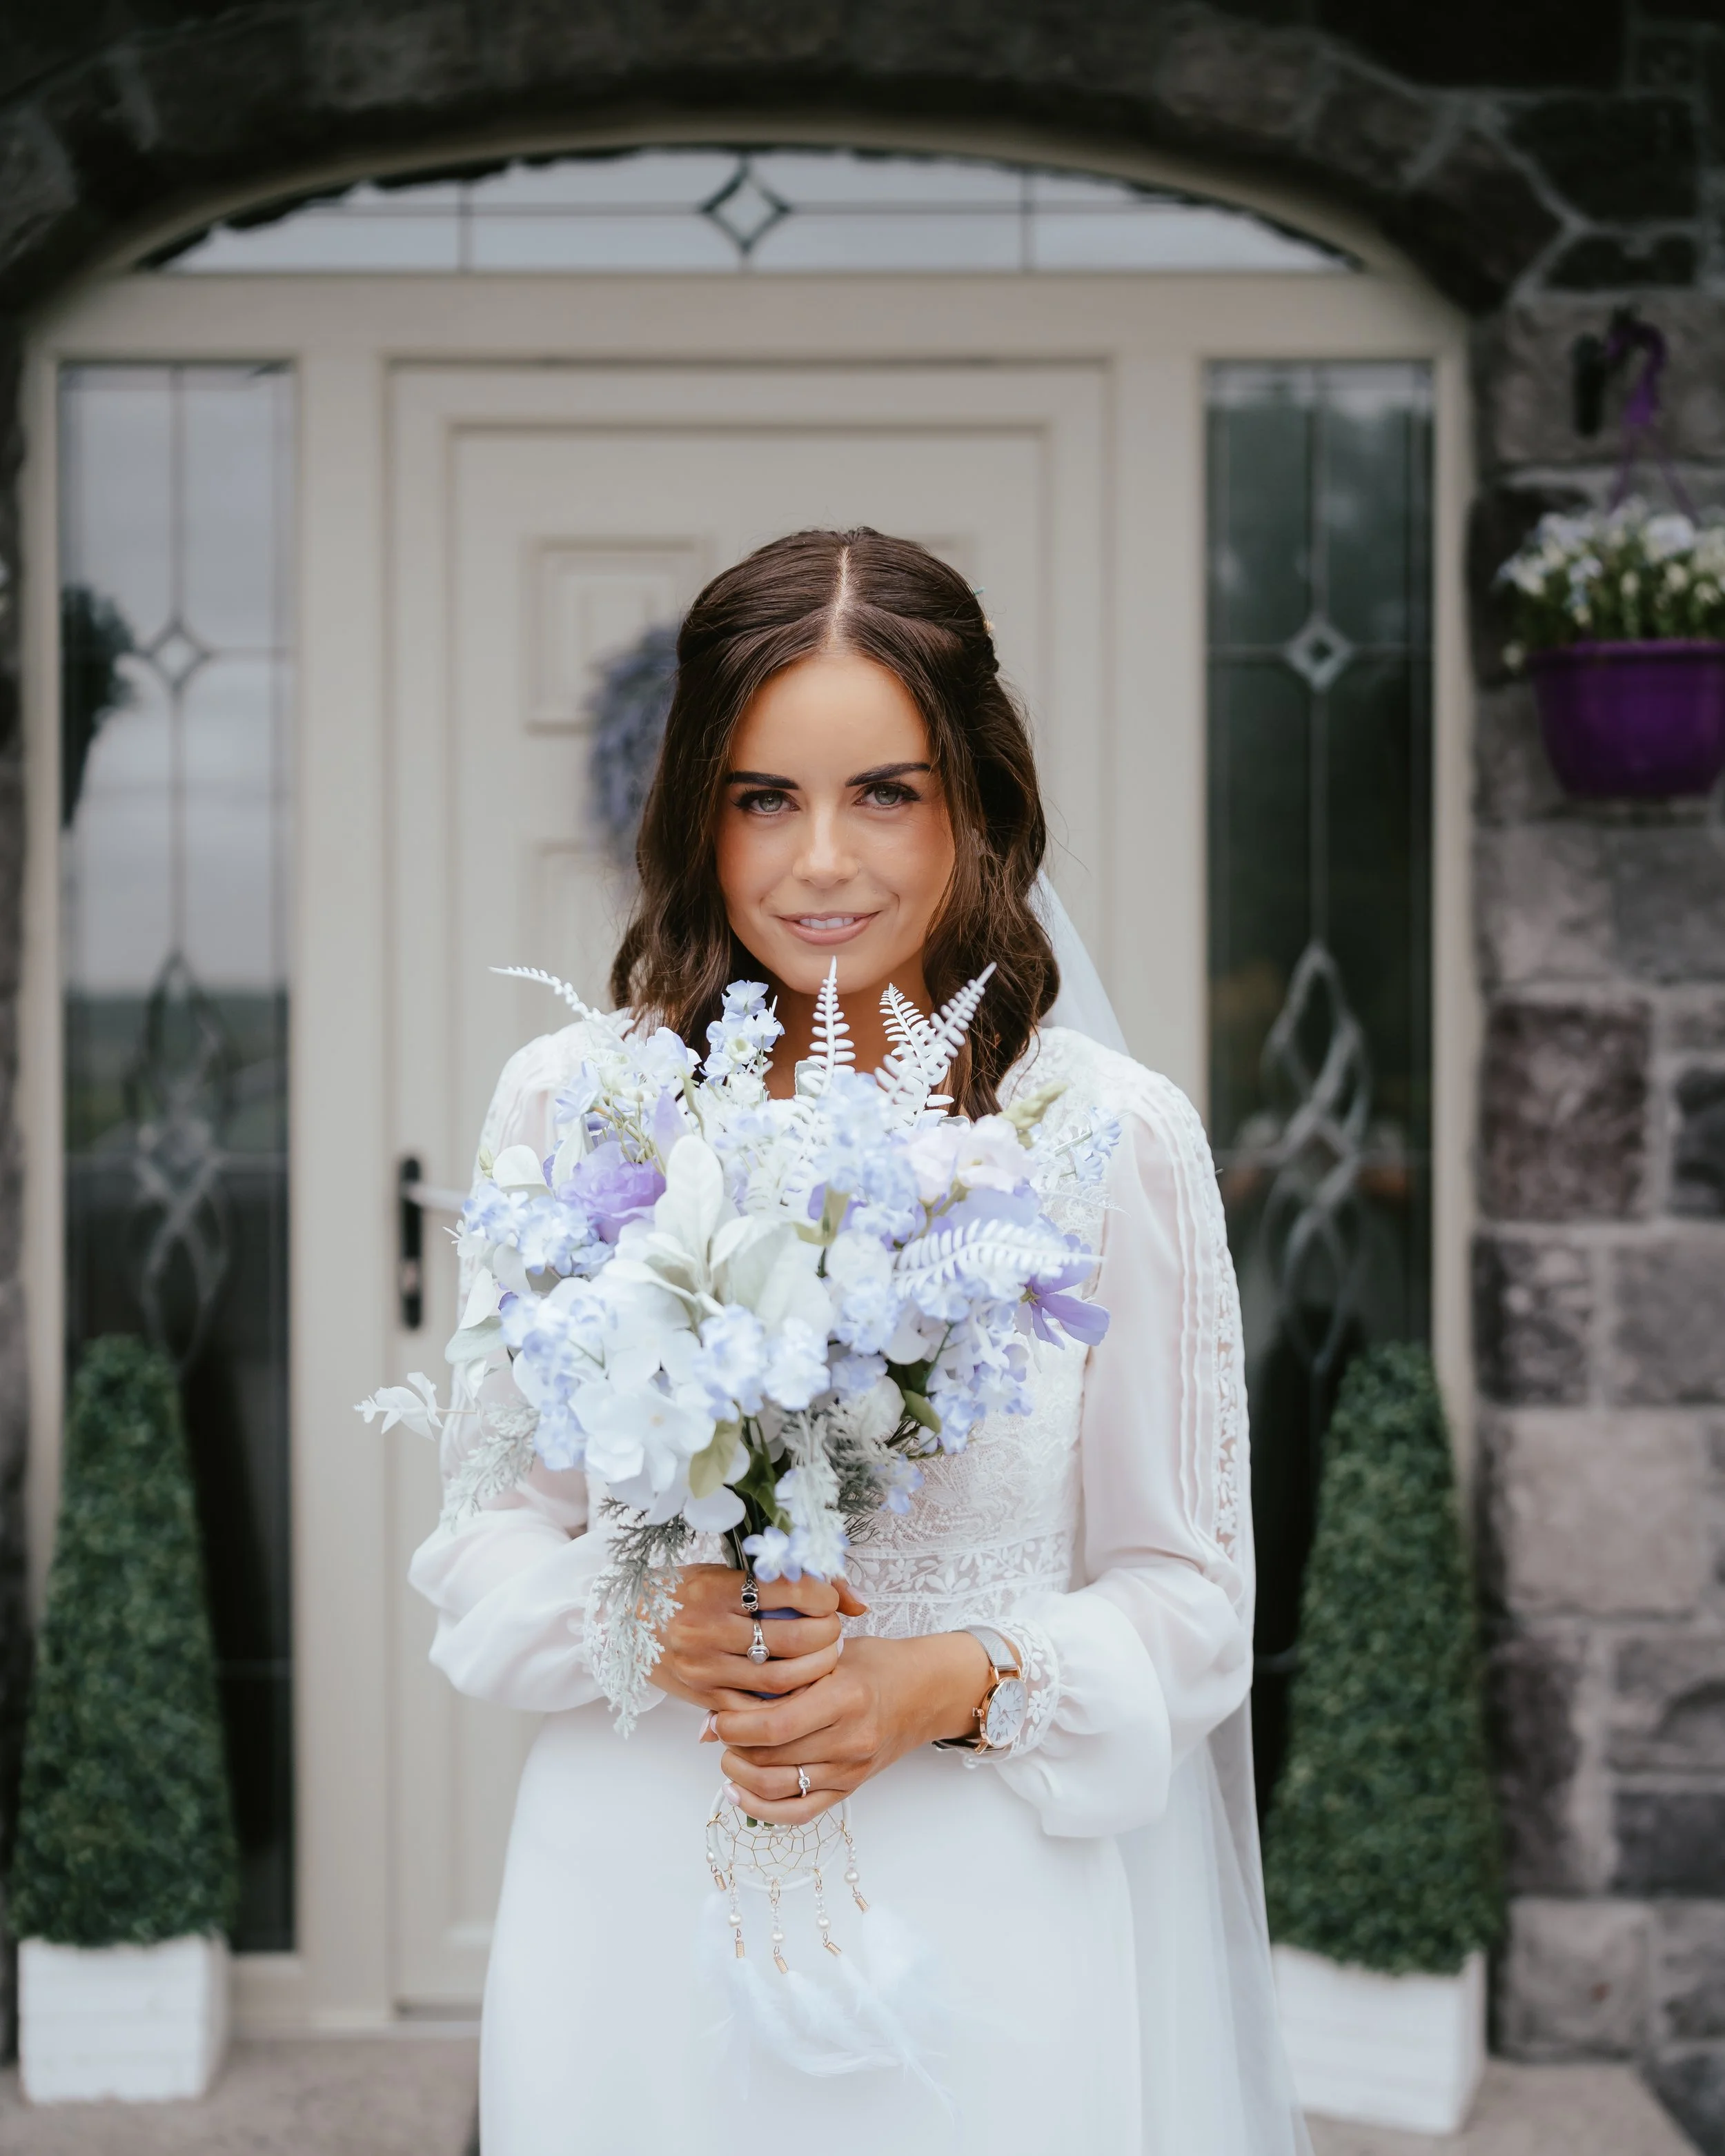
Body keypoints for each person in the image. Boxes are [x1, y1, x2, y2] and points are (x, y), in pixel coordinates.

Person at [409, 528, 1310, 2155]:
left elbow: (1189, 1605)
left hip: (983, 1916)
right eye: (764, 796)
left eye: (882, 792)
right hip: (627, 1897)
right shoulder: (573, 1105)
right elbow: (482, 1540)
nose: (821, 858)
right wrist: (647, 1627)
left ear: (976, 802)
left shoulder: (1110, 1138)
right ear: (698, 805)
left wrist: (939, 1684)